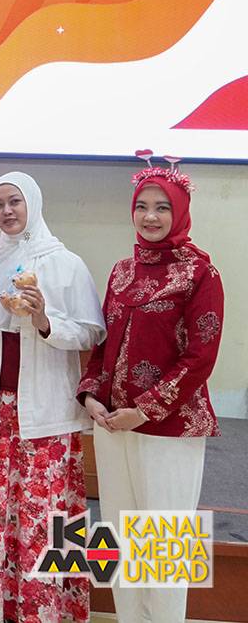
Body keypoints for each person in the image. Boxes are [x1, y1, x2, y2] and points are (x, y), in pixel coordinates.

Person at [0, 172, 105, 623]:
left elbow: (92, 333)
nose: (7, 211)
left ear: (32, 203)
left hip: (47, 412)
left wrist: (44, 320)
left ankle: (46, 606)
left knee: (46, 510)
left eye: (14, 201)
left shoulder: (65, 264)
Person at [78, 162, 223, 623]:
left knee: (162, 545)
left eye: (162, 207)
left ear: (179, 212)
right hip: (113, 425)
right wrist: (91, 395)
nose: (150, 216)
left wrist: (143, 410)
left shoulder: (200, 273)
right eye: (141, 206)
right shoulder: (122, 271)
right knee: (120, 539)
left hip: (169, 428)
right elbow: (103, 345)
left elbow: (200, 356)